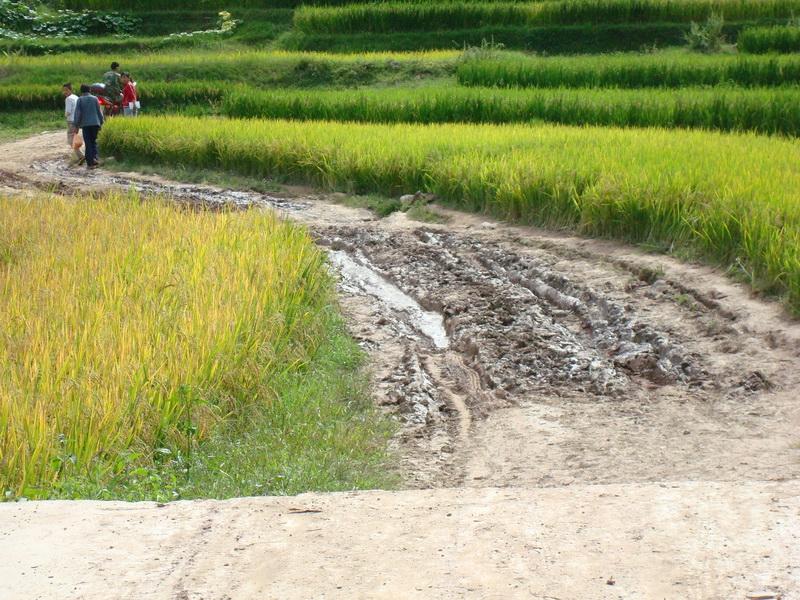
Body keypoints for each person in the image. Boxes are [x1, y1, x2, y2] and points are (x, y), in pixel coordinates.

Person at [73, 84, 104, 169]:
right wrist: (102, 122)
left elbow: (78, 114)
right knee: (94, 142)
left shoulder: (80, 100)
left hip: (86, 125)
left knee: (88, 143)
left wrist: (76, 126)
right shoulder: (95, 99)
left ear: (81, 91)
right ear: (90, 90)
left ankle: (90, 162)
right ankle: (94, 159)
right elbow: (99, 112)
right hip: (95, 124)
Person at [62, 82, 84, 165]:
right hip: (77, 121)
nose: (65, 92)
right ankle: (79, 155)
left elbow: (68, 111)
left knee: (71, 140)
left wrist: (65, 116)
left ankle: (80, 155)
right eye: (64, 90)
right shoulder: (76, 97)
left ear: (70, 90)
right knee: (74, 138)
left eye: (66, 90)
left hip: (71, 121)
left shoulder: (68, 99)